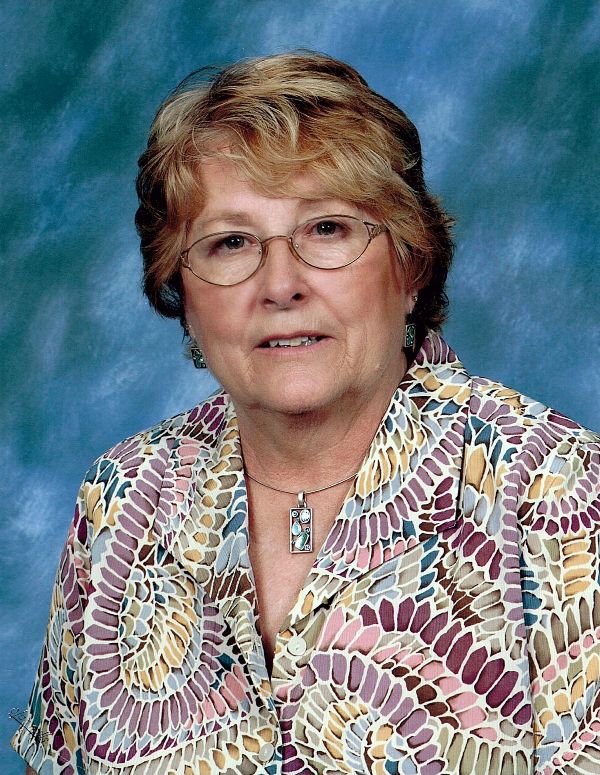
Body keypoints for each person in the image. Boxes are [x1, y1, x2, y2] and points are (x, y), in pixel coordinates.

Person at [13, 51, 599, 775]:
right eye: (230, 243)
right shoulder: (126, 497)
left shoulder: (558, 490)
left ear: (411, 265)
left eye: (327, 229)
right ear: (182, 294)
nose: (281, 284)